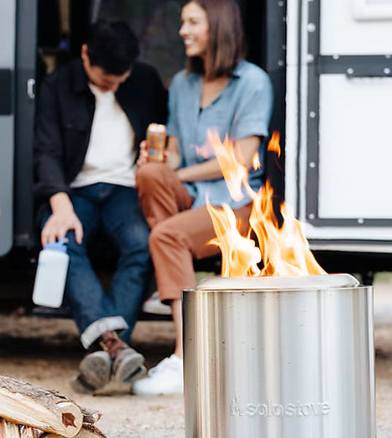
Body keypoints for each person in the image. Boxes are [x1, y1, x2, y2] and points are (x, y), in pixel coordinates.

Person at [132, 0, 273, 396]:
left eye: (192, 22)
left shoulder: (253, 83)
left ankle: (185, 357)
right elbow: (175, 155)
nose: (183, 30)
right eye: (182, 22)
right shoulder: (181, 84)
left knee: (164, 237)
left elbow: (242, 159)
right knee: (149, 173)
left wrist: (179, 172)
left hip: (237, 203)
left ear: (217, 26)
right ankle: (177, 273)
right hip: (192, 198)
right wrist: (159, 160)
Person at [34, 20, 167, 393]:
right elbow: (45, 151)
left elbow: (164, 132)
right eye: (107, 79)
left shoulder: (144, 79)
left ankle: (105, 346)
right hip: (74, 189)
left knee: (143, 244)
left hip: (127, 188)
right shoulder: (58, 85)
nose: (115, 85)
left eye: (121, 79)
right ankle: (117, 347)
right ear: (85, 55)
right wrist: (60, 207)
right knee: (62, 238)